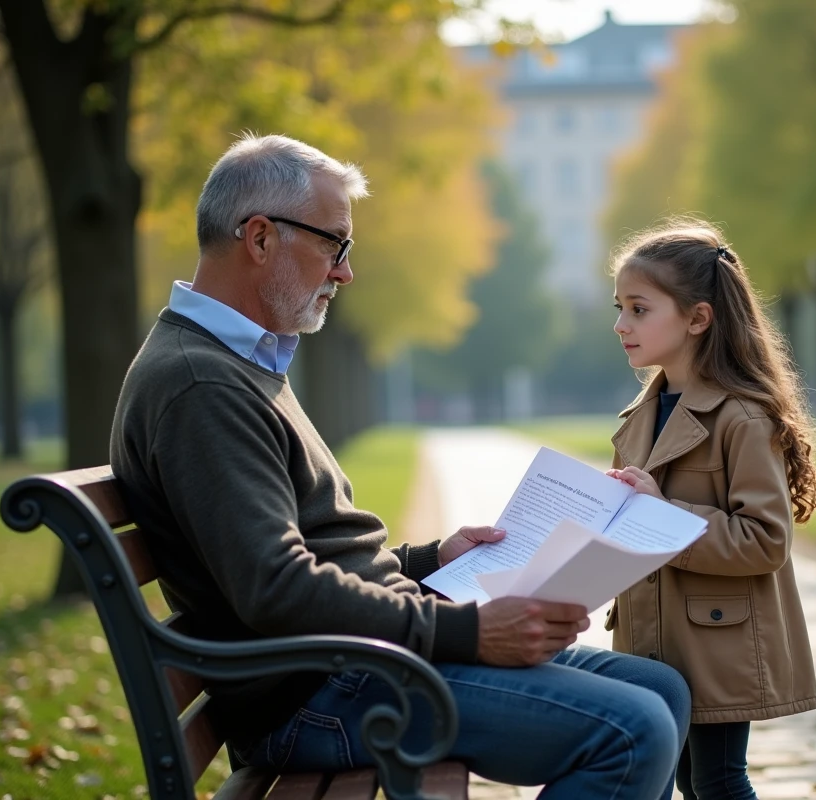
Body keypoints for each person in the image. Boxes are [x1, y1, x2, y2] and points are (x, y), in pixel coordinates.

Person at [109, 134, 690, 798]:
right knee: (632, 729)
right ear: (261, 238)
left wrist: (430, 560)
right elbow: (275, 587)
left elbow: (297, 554)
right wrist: (469, 631)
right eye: (334, 244)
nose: (344, 272)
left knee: (659, 687)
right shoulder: (201, 385)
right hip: (320, 689)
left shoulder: (236, 362)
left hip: (346, 663)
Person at [605, 219, 816, 800]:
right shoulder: (637, 417)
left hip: (716, 637)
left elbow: (763, 539)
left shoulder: (742, 418)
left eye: (638, 309)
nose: (621, 325)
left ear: (698, 318)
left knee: (717, 780)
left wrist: (659, 512)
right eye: (620, 308)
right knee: (668, 775)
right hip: (650, 631)